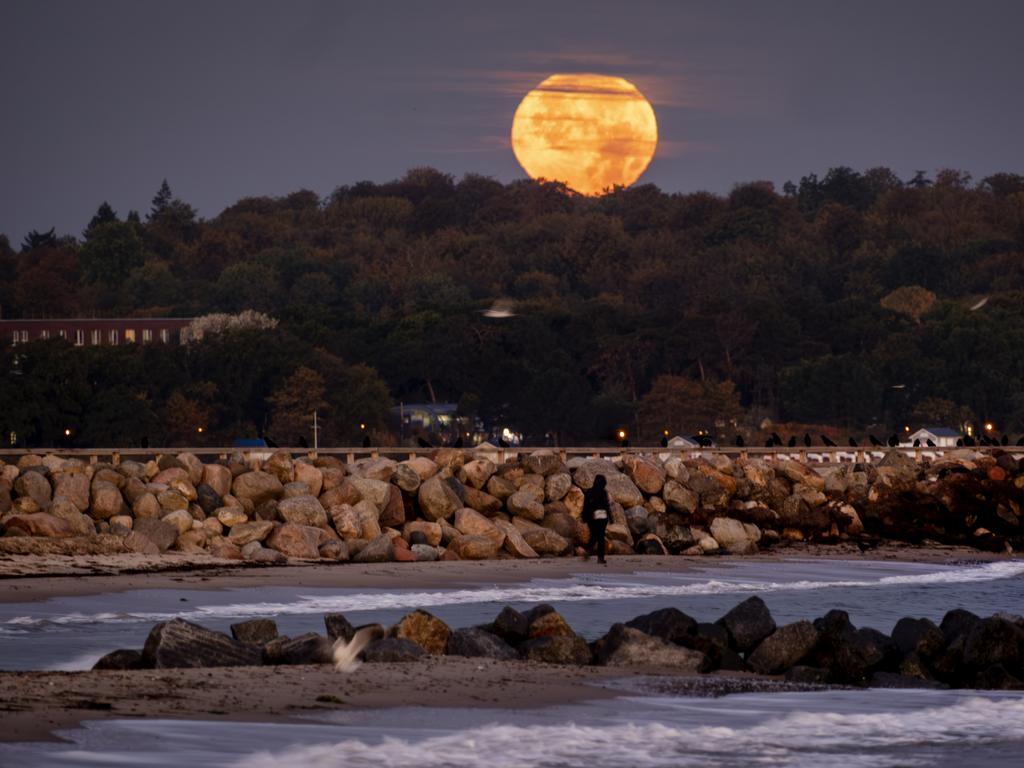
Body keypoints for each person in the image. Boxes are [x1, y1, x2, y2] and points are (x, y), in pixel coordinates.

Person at [581, 474, 610, 564]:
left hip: (591, 517)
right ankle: (600, 558)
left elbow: (585, 506)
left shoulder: (589, 492)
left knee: (594, 536)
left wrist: (584, 517)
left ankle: (588, 551)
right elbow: (606, 506)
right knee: (600, 537)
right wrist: (611, 517)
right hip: (602, 517)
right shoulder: (603, 492)